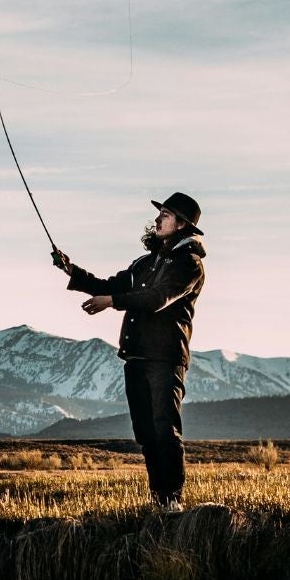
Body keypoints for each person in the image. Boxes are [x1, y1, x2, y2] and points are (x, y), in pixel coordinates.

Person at [51, 193, 207, 514]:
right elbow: (112, 284)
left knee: (165, 429)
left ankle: (173, 501)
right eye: (159, 213)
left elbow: (156, 298)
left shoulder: (188, 264)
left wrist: (111, 302)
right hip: (136, 355)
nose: (157, 219)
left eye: (165, 214)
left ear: (182, 224)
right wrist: (72, 271)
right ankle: (159, 500)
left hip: (165, 357)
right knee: (146, 433)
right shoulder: (146, 262)